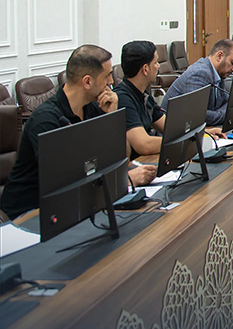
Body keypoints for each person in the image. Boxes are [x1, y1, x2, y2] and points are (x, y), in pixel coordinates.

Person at [0, 45, 155, 220]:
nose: (111, 81)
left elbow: (121, 159)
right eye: (107, 76)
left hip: (74, 206)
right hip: (29, 214)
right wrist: (124, 181)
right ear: (87, 82)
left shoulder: (92, 107)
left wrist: (112, 118)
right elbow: (65, 182)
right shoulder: (46, 120)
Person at [162, 39, 233, 125]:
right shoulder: (200, 73)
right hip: (174, 129)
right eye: (232, 63)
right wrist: (224, 115)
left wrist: (224, 112)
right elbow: (197, 115)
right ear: (219, 56)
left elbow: (227, 102)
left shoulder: (219, 72)